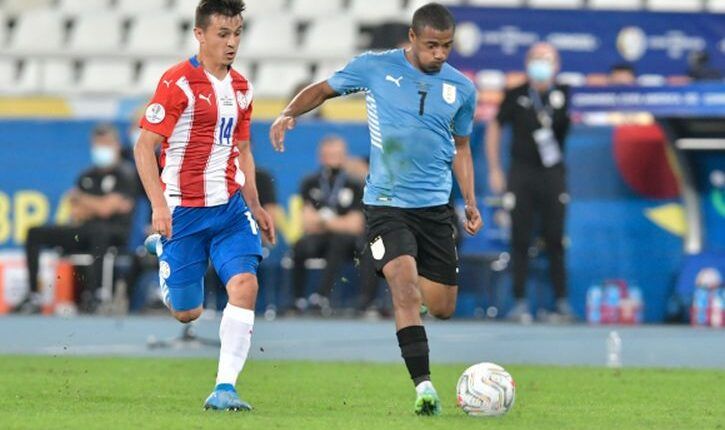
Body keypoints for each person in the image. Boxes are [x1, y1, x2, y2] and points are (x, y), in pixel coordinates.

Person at [270, 2, 482, 416]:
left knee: (441, 307)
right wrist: (288, 112)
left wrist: (470, 201)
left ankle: (412, 286)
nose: (440, 54)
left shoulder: (463, 89)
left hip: (435, 208)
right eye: (432, 46)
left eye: (447, 47)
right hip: (385, 204)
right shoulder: (374, 67)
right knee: (403, 288)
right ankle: (424, 387)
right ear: (412, 39)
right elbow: (324, 87)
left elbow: (462, 148)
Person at [133, 0, 275, 412]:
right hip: (183, 212)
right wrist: (159, 206)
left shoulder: (243, 88)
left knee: (245, 285)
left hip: (230, 209)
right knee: (187, 313)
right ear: (200, 34)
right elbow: (145, 148)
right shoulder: (177, 83)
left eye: (237, 34)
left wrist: (256, 203)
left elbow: (243, 149)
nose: (232, 44)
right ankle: (162, 248)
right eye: (223, 35)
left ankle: (224, 388)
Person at [485, 42, 573, 323]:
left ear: (556, 64)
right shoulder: (515, 94)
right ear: (527, 63)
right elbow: (495, 127)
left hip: (552, 174)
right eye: (536, 58)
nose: (541, 63)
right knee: (519, 238)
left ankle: (561, 302)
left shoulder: (565, 94)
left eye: (547, 59)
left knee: (555, 238)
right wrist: (495, 168)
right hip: (521, 174)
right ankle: (520, 301)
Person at [20, 124, 136, 313]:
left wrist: (84, 199)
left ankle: (96, 294)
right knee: (34, 232)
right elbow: (77, 212)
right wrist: (99, 205)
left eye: (105, 144)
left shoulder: (126, 175)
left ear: (116, 145)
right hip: (84, 231)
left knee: (100, 232)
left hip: (114, 233)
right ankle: (34, 295)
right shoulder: (86, 175)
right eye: (97, 145)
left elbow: (105, 210)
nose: (101, 149)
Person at [290, 135, 375, 315]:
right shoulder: (310, 182)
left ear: (344, 155)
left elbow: (356, 225)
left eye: (337, 154)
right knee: (300, 246)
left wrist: (324, 221)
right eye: (329, 154)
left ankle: (324, 296)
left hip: (347, 242)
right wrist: (338, 222)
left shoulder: (355, 183)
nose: (333, 159)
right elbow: (307, 221)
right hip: (319, 238)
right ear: (321, 156)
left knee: (342, 240)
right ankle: (297, 300)